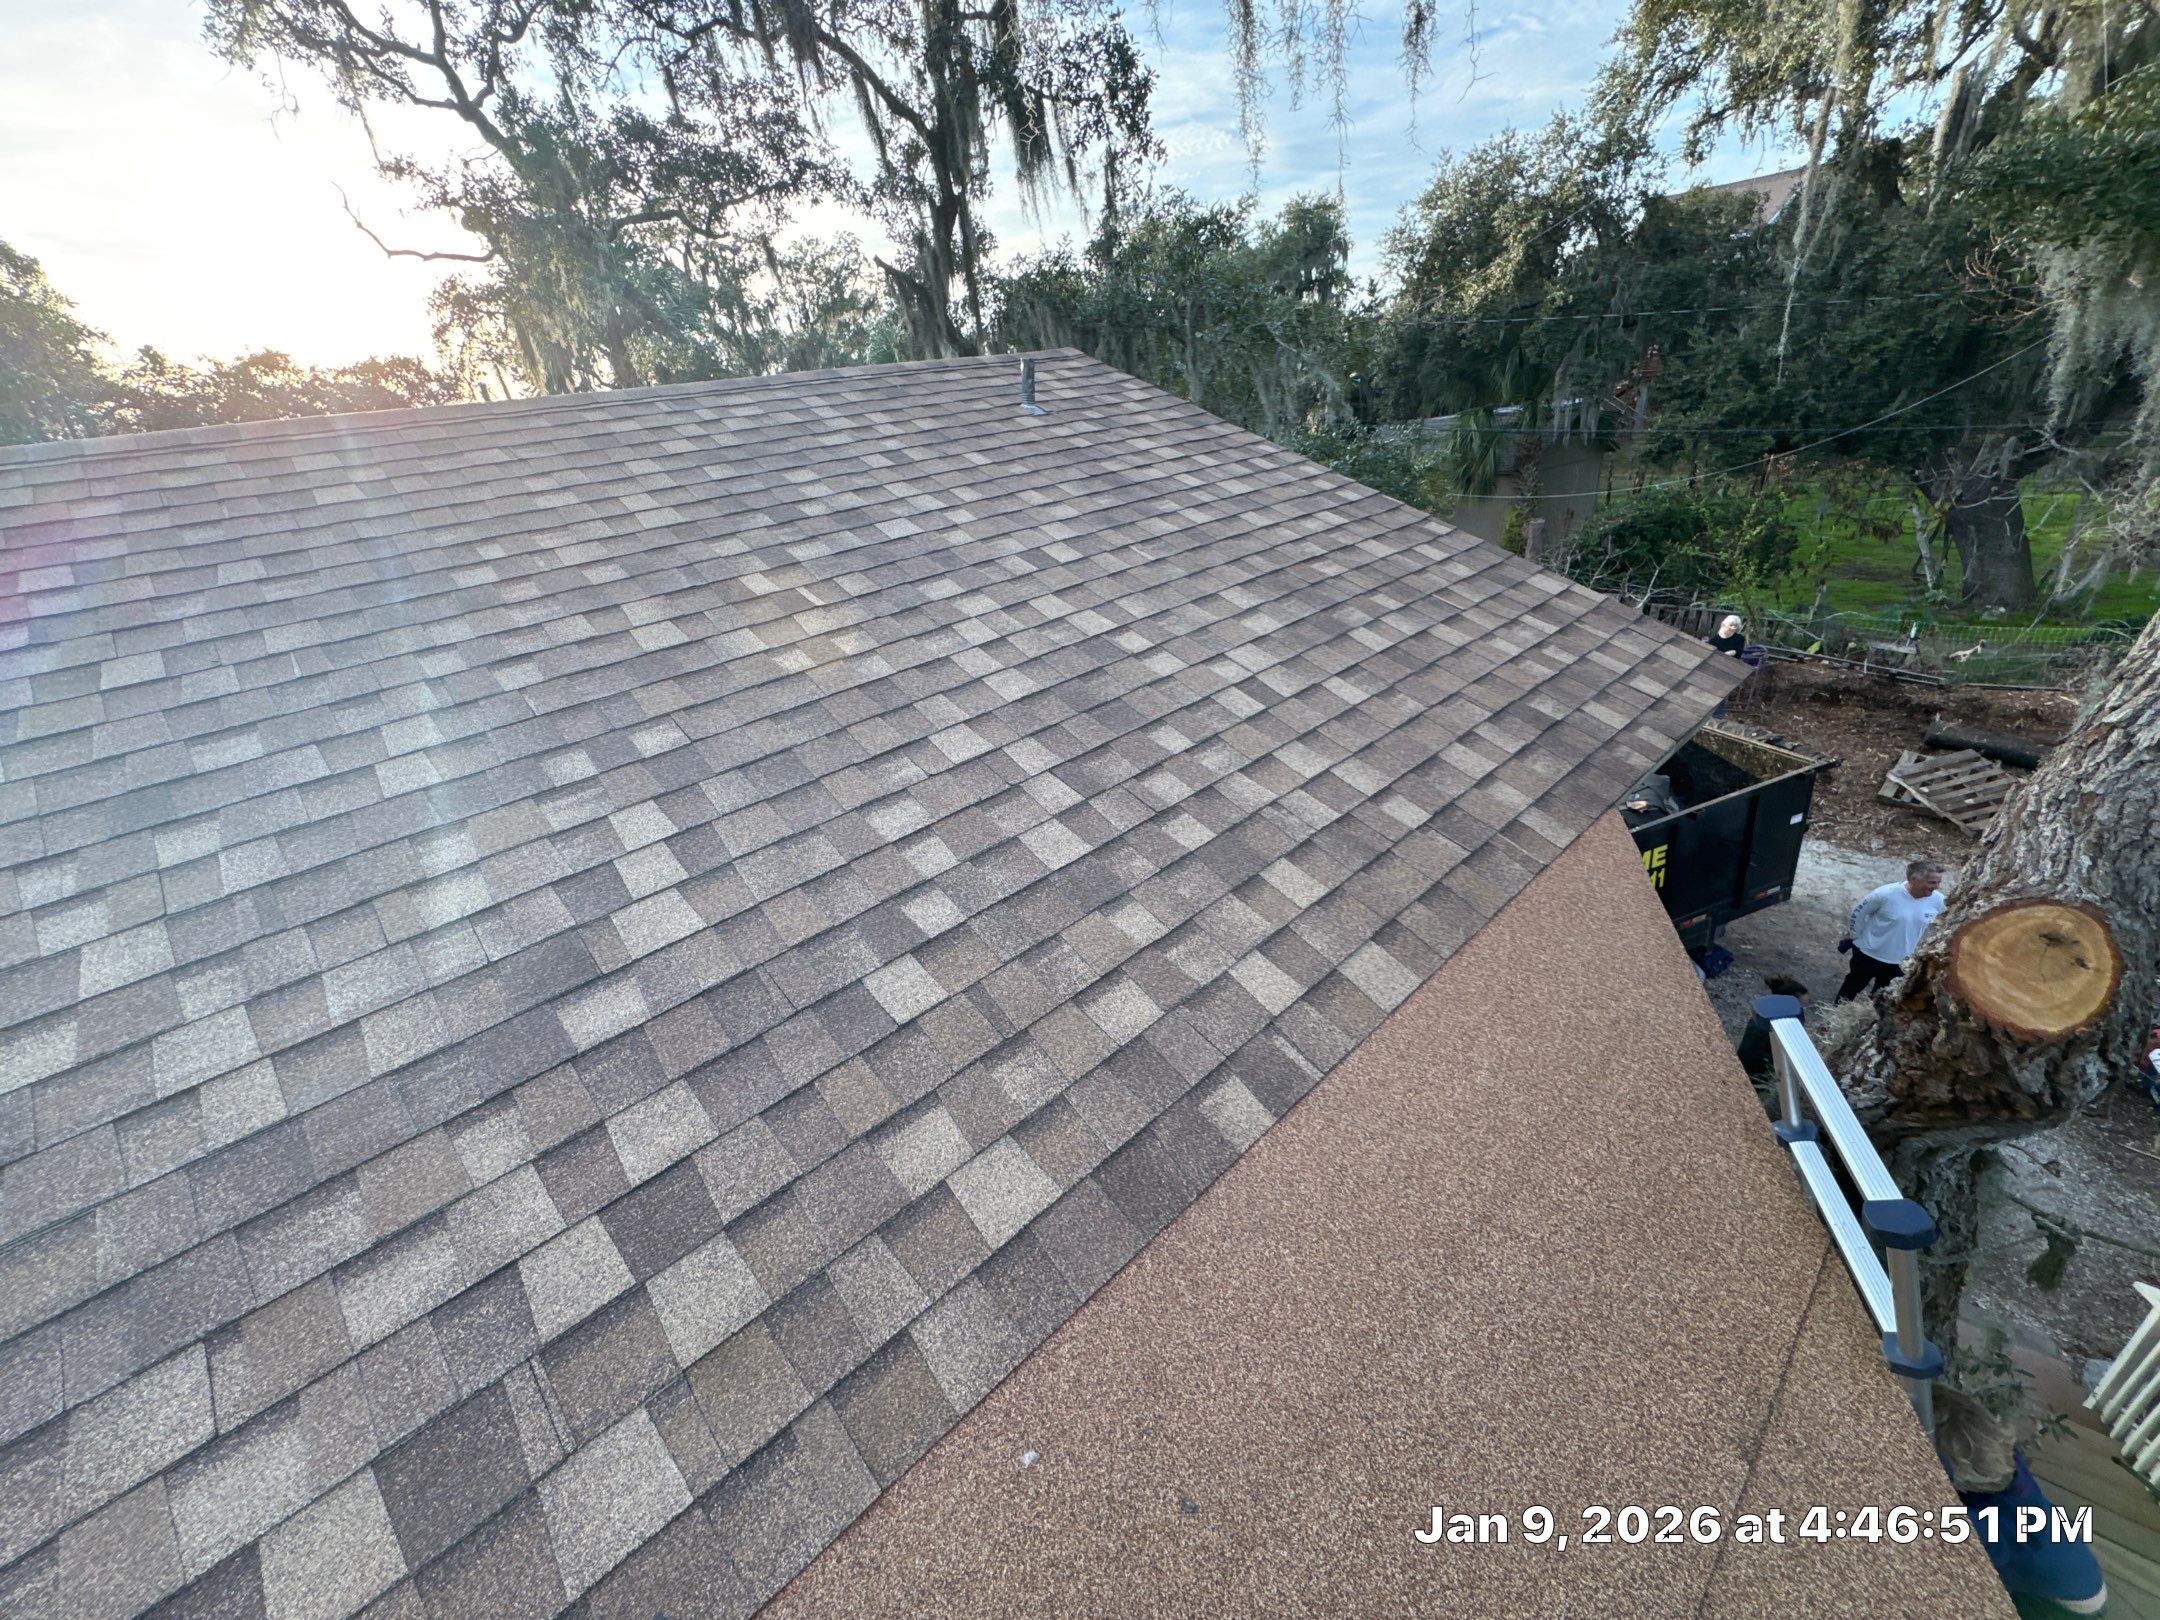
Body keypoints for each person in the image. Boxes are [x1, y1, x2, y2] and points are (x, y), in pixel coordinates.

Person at [1836, 860, 1948, 1002]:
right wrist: (1855, 937)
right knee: (1851, 988)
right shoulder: (1884, 894)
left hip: (1901, 962)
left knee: (1884, 999)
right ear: (1914, 879)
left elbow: (1947, 921)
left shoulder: (1938, 900)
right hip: (1868, 954)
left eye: (1938, 882)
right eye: (1932, 882)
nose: (1937, 887)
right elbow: (1858, 913)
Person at [1736, 974, 1812, 1078]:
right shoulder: (1783, 1022)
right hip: (1757, 1071)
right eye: (1801, 1005)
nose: (1802, 1009)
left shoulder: (1765, 1011)